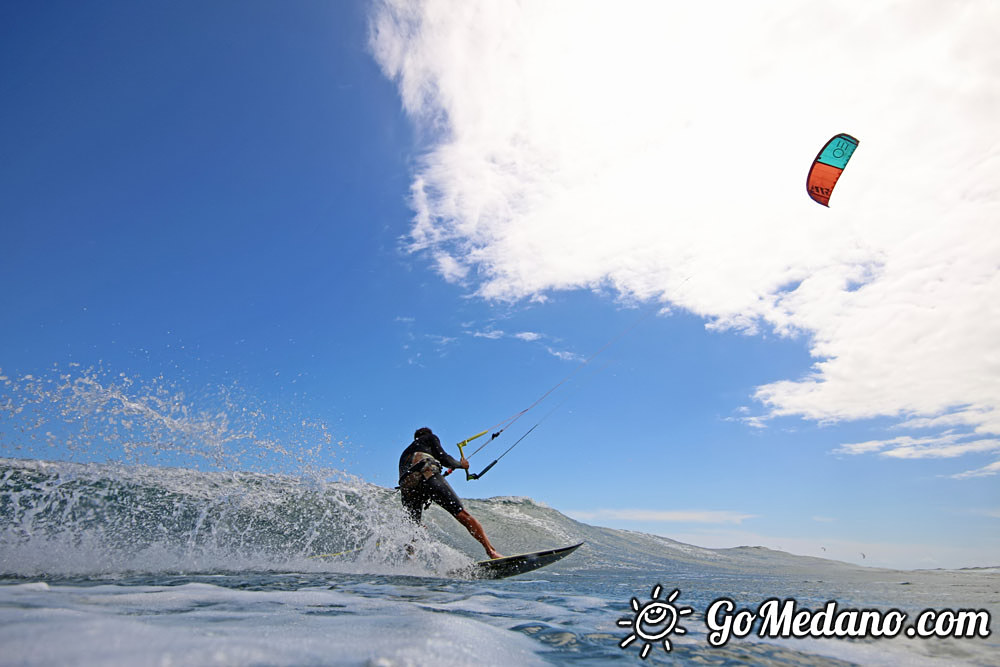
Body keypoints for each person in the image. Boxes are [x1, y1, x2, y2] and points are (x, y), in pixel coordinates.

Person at [398, 427, 502, 560]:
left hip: (407, 487)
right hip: (426, 472)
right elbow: (444, 458)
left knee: (413, 528)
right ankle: (491, 552)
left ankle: (409, 562)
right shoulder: (430, 437)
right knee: (462, 513)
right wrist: (461, 464)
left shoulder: (405, 453)